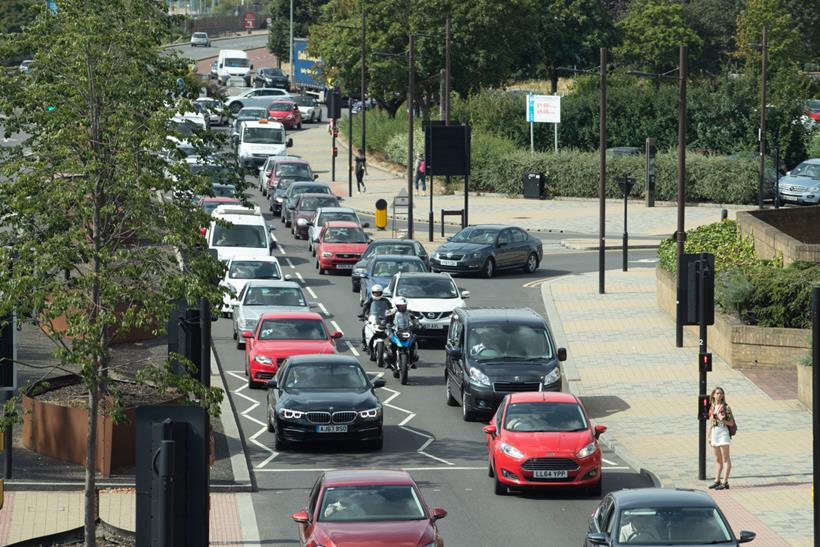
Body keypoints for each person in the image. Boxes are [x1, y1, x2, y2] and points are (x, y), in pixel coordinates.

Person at [707, 386, 735, 490]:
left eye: (721, 393)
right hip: (715, 433)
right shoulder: (712, 406)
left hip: (723, 432)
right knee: (717, 459)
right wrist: (708, 436)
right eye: (717, 393)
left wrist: (721, 419)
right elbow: (710, 422)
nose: (719, 395)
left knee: (725, 458)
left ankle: (725, 481)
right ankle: (717, 480)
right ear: (713, 395)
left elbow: (731, 423)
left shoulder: (726, 407)